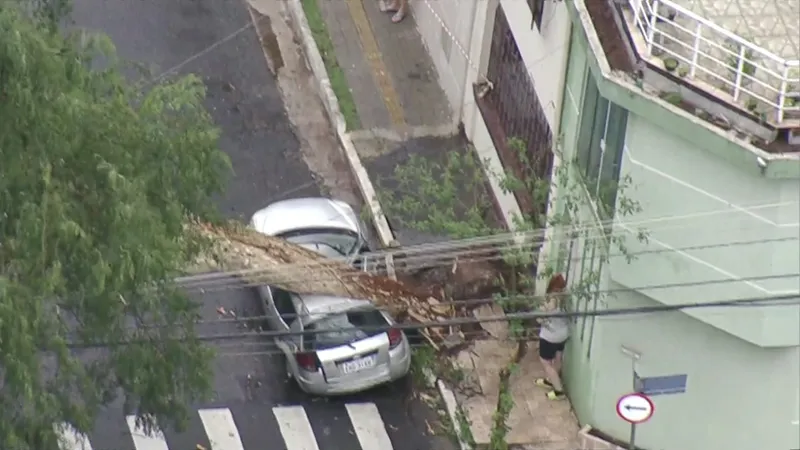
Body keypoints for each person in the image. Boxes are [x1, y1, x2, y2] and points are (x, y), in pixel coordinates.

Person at [534, 274, 570, 400]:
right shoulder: (565, 297)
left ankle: (559, 391)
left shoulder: (551, 301)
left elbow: (539, 319)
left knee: (546, 363)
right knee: (558, 358)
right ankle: (551, 381)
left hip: (550, 336)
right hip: (563, 334)